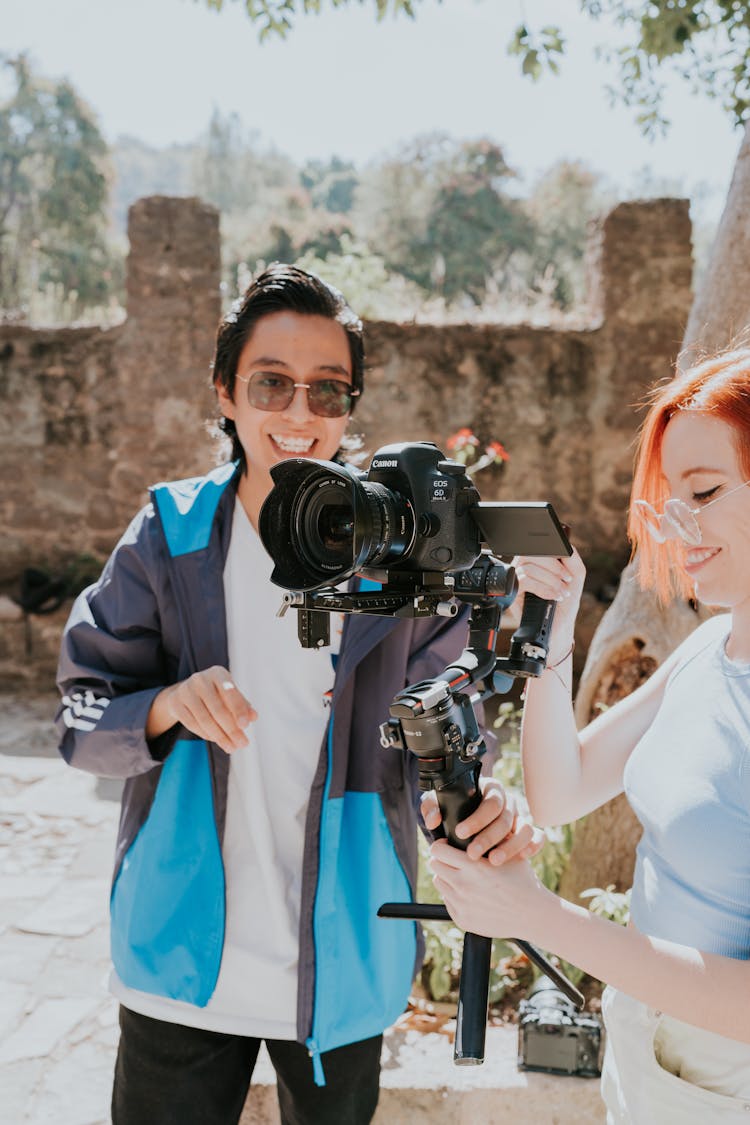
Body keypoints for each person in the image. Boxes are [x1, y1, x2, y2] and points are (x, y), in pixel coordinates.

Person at [55, 263, 540, 1125]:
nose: (300, 413)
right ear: (226, 392)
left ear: (351, 408)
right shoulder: (167, 537)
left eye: (329, 390)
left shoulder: (404, 557)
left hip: (345, 956)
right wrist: (167, 706)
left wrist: (471, 796)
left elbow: (452, 725)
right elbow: (81, 717)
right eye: (271, 383)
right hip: (179, 957)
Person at [431, 346, 750, 1123]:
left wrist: (537, 916)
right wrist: (556, 627)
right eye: (669, 496)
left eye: (702, 492)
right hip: (646, 1038)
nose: (676, 524)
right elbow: (562, 789)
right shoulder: (714, 647)